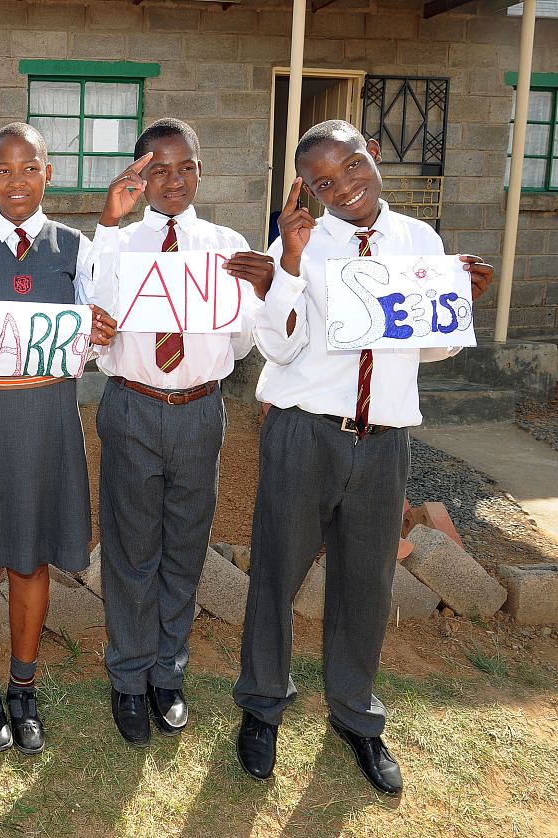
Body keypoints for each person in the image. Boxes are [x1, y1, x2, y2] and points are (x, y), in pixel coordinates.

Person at [234, 119, 494, 795]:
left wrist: (460, 305)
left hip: (383, 440)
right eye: (323, 182)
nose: (343, 188)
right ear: (309, 191)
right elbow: (279, 347)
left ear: (372, 155)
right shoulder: (300, 241)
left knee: (366, 584)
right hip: (303, 431)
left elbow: (428, 349)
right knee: (277, 574)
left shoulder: (419, 239)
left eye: (351, 168)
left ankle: (355, 715)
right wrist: (290, 266)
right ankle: (262, 705)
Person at [0, 122, 116, 755]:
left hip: (45, 418)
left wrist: (97, 332)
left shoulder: (76, 250)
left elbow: (90, 344)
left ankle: (23, 687)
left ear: (48, 174)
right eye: (4, 170)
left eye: (29, 168)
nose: (17, 181)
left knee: (32, 555)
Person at [92, 118, 273, 747]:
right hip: (133, 404)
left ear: (200, 169)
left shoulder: (228, 245)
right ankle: (128, 675)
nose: (173, 180)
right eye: (157, 168)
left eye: (185, 167)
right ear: (139, 174)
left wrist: (240, 304)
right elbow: (93, 325)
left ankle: (168, 672)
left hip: (199, 409)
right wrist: (109, 225)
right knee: (130, 545)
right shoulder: (114, 244)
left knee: (184, 544)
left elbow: (245, 336)